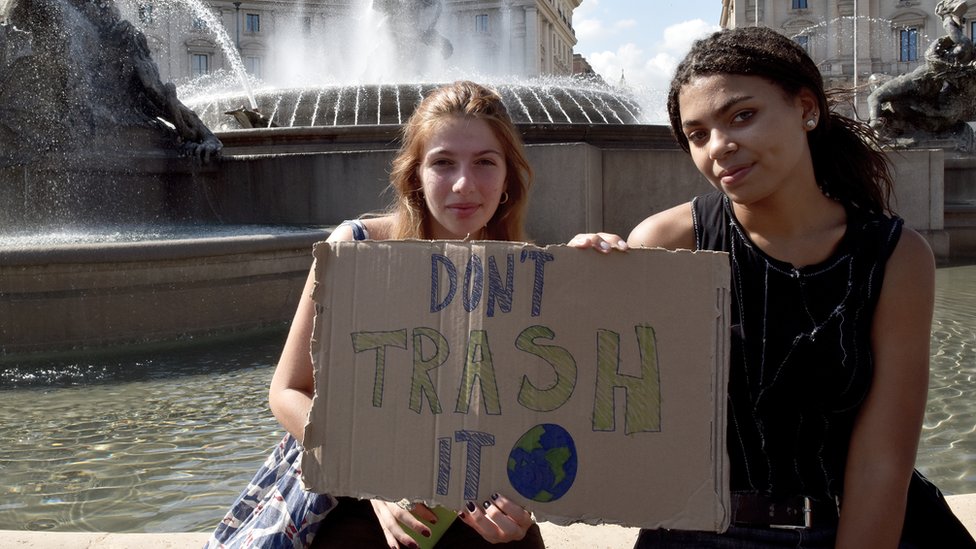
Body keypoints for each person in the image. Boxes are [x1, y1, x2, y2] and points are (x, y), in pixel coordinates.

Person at [571, 26, 973, 548]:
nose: (719, 146)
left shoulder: (895, 256)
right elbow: (622, 415)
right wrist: (576, 295)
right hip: (698, 532)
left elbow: (883, 459)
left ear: (807, 108)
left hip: (850, 526)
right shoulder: (668, 241)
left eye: (743, 115)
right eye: (697, 134)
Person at [206, 80, 544, 549]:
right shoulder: (355, 248)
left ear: (508, 176)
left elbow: (541, 414)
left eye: (485, 162)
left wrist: (599, 268)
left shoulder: (528, 270)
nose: (464, 183)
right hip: (352, 483)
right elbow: (287, 390)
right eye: (443, 162)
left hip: (471, 490)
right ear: (415, 175)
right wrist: (373, 476)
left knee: (516, 543)